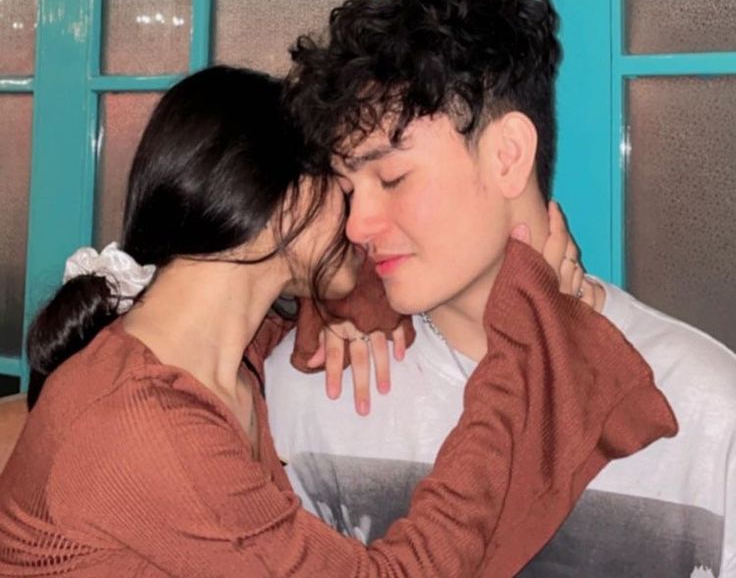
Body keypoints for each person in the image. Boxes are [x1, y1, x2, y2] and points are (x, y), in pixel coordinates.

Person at [0, 65, 674, 577]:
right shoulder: (145, 424)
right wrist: (522, 342)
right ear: (285, 205)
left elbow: (284, 321)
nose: (357, 224)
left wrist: (359, 305)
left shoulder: (214, 356)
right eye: (344, 190)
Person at [269, 0, 736, 577]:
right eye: (346, 189)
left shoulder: (703, 409)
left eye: (391, 179)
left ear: (508, 156)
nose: (357, 226)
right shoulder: (313, 393)